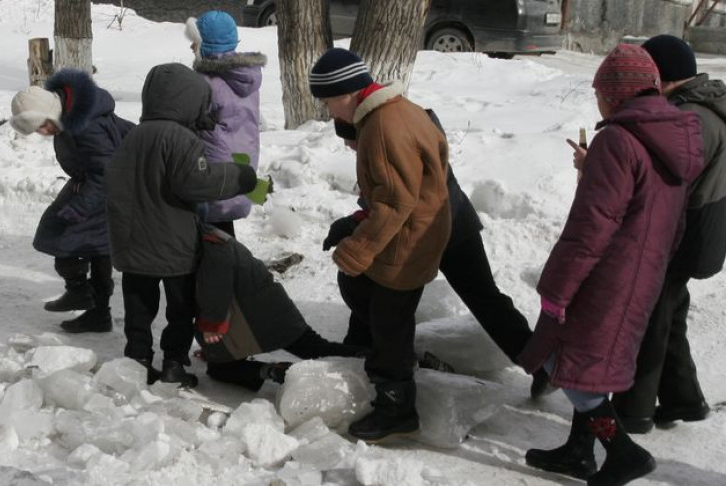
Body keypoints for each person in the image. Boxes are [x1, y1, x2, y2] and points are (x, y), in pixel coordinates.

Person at [518, 44, 703, 485]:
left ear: (615, 96)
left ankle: (623, 454)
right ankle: (579, 452)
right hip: (643, 272)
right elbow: (671, 221)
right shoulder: (673, 138)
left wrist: (557, 290)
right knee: (591, 364)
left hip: (606, 276)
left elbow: (591, 227)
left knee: (572, 368)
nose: (596, 100)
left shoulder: (617, 140)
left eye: (600, 92)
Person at [328, 113, 547, 396]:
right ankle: (361, 344)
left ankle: (540, 363)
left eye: (350, 140)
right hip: (447, 224)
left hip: (441, 229)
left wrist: (357, 225)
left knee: (480, 297)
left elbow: (399, 203)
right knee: (374, 280)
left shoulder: (392, 140)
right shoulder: (393, 132)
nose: (348, 147)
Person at [309, 48, 451, 443]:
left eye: (327, 101)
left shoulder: (383, 127)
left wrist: (357, 249)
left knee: (390, 324)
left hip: (404, 243)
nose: (328, 111)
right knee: (369, 300)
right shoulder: (398, 111)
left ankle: (397, 408)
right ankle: (379, 362)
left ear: (346, 93)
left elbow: (393, 202)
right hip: (415, 234)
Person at [106, 63, 259, 387]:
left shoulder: (133, 136)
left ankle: (137, 360)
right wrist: (238, 176)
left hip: (133, 243)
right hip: (174, 243)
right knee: (181, 307)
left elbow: (115, 182)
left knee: (139, 307)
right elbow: (195, 182)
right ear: (189, 100)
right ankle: (174, 361)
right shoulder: (181, 139)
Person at [611, 35, 726, 434]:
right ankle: (685, 400)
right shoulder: (710, 106)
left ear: (661, 74)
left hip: (680, 233)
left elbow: (667, 177)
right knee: (670, 314)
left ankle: (633, 412)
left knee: (648, 319)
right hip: (703, 231)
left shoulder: (689, 117)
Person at [10, 69, 134, 333]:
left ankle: (85, 298)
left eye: (42, 124)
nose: (44, 132)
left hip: (108, 186)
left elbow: (106, 170)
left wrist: (80, 207)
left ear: (50, 109)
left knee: (78, 238)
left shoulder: (86, 124)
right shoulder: (69, 115)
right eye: (38, 129)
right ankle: (93, 306)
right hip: (92, 182)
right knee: (87, 242)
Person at [193, 225, 366, 390]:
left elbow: (216, 290)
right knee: (316, 348)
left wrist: (213, 326)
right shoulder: (210, 235)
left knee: (219, 369)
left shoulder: (211, 246)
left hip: (258, 316)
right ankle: (371, 358)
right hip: (272, 309)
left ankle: (375, 361)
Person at [184, 10, 266, 237]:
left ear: (206, 44)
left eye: (194, 43)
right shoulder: (244, 76)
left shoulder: (205, 81)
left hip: (211, 167)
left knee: (208, 231)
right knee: (222, 229)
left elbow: (190, 120)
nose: (192, 48)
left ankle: (214, 271)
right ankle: (227, 268)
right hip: (241, 163)